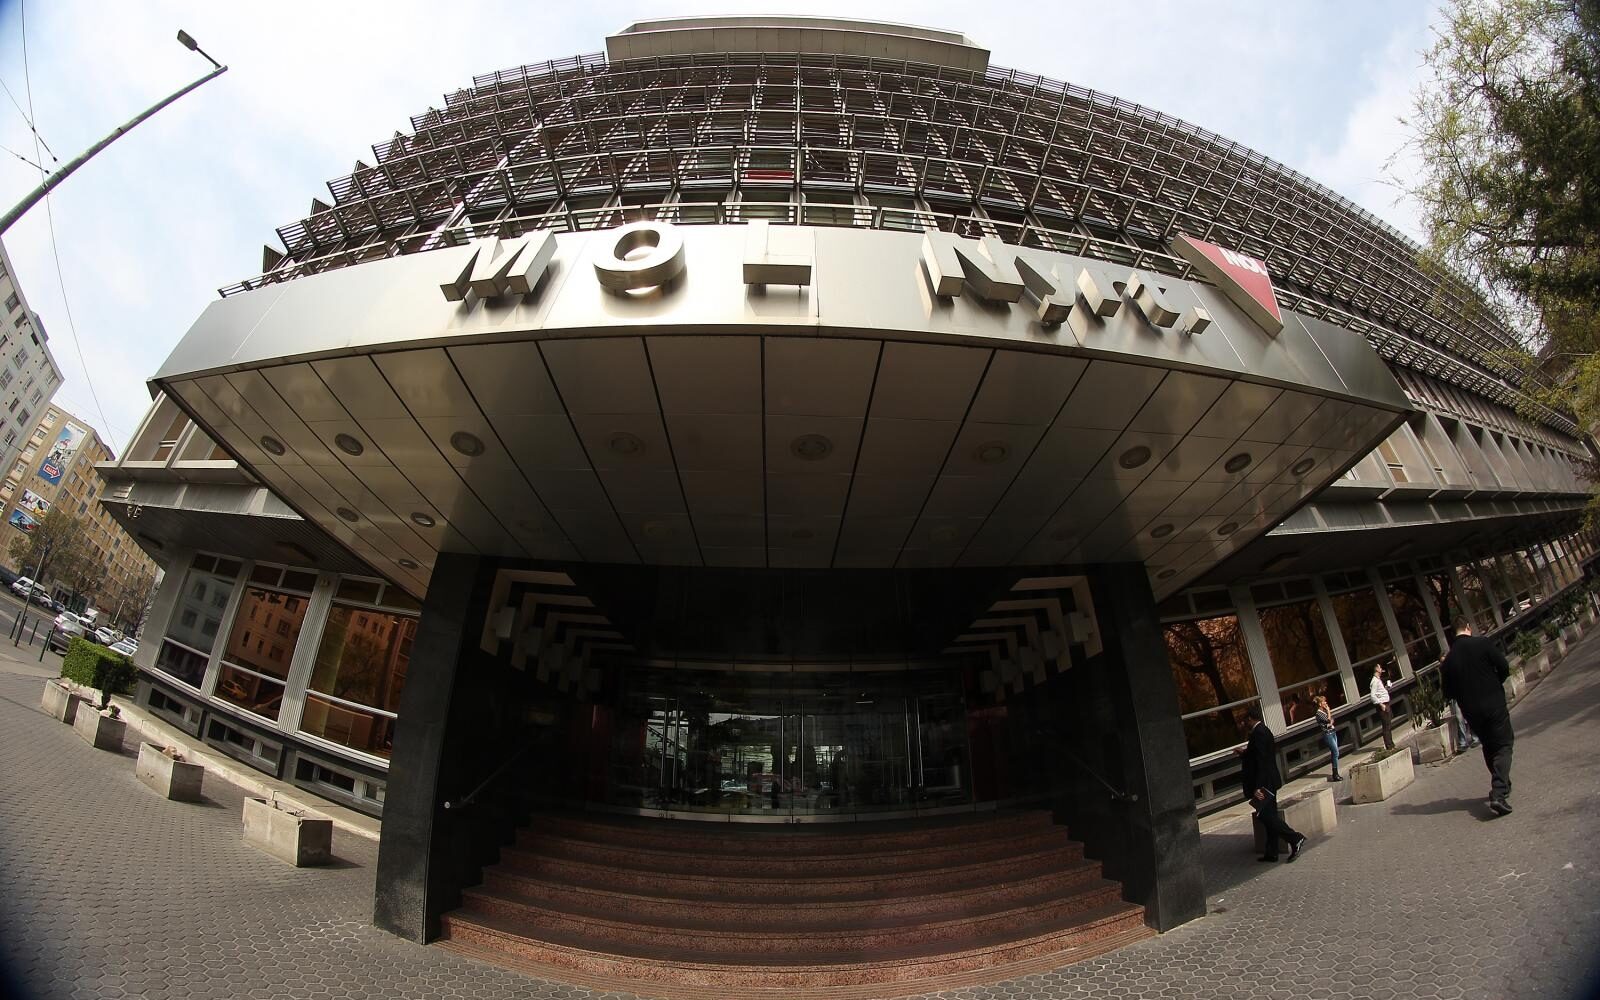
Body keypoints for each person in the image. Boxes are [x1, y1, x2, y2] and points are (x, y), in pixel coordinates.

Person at [1440, 617, 1515, 815]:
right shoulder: (1482, 643)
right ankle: (1498, 792)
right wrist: (1495, 683)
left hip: (1471, 712)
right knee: (1504, 744)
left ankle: (1503, 784)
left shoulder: (1448, 662)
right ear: (1468, 627)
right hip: (1494, 703)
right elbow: (1504, 666)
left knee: (1489, 746)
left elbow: (1448, 693)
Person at [1236, 706, 1307, 862]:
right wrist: (1244, 753)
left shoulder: (1259, 733)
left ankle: (1295, 838)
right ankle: (1272, 852)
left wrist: (1258, 787)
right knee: (1270, 815)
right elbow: (1257, 755)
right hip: (1268, 781)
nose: (1243, 724)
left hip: (1265, 783)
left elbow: (1262, 762)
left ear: (1249, 718)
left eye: (1244, 720)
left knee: (1265, 815)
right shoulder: (1261, 731)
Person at [1314, 695, 1340, 782]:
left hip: (1333, 732)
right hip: (1328, 734)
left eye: (1325, 701)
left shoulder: (1323, 712)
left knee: (1335, 753)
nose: (1326, 703)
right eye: (1324, 702)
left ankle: (1335, 772)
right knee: (1335, 752)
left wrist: (1330, 720)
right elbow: (1329, 720)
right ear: (1320, 704)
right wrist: (1329, 711)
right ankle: (1335, 774)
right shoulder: (1318, 714)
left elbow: (1332, 720)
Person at [1369, 662, 1395, 751]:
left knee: (1388, 724)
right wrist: (1381, 705)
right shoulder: (1374, 681)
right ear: (1376, 669)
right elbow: (1373, 696)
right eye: (1380, 667)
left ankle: (1391, 744)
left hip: (1386, 703)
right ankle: (1389, 746)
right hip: (1383, 705)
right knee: (1386, 726)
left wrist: (1386, 687)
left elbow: (1379, 693)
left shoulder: (1378, 680)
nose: (1381, 669)